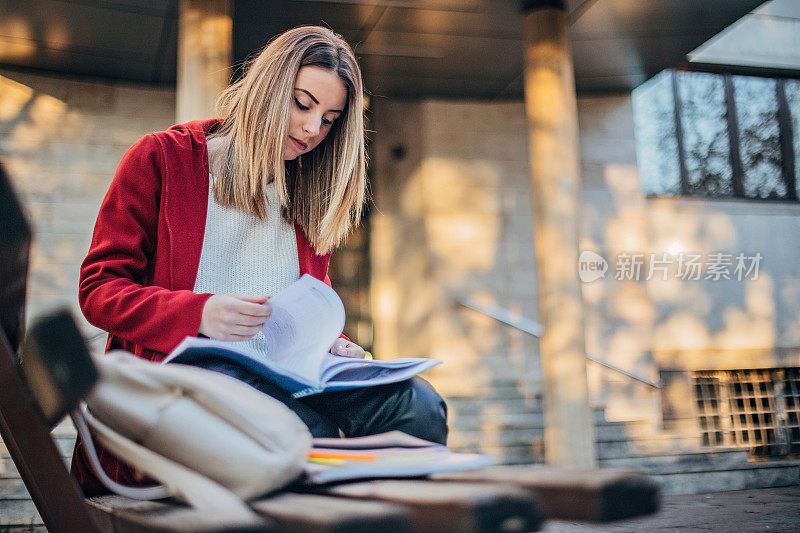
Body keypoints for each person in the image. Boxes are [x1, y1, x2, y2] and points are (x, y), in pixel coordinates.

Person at [71, 25, 448, 495]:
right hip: (189, 384)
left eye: (330, 118)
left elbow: (297, 314)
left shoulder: (310, 190)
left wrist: (336, 344)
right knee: (305, 434)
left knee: (418, 407)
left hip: (289, 382)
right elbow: (99, 290)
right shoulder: (162, 159)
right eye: (302, 104)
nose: (313, 129)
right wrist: (200, 313)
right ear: (268, 88)